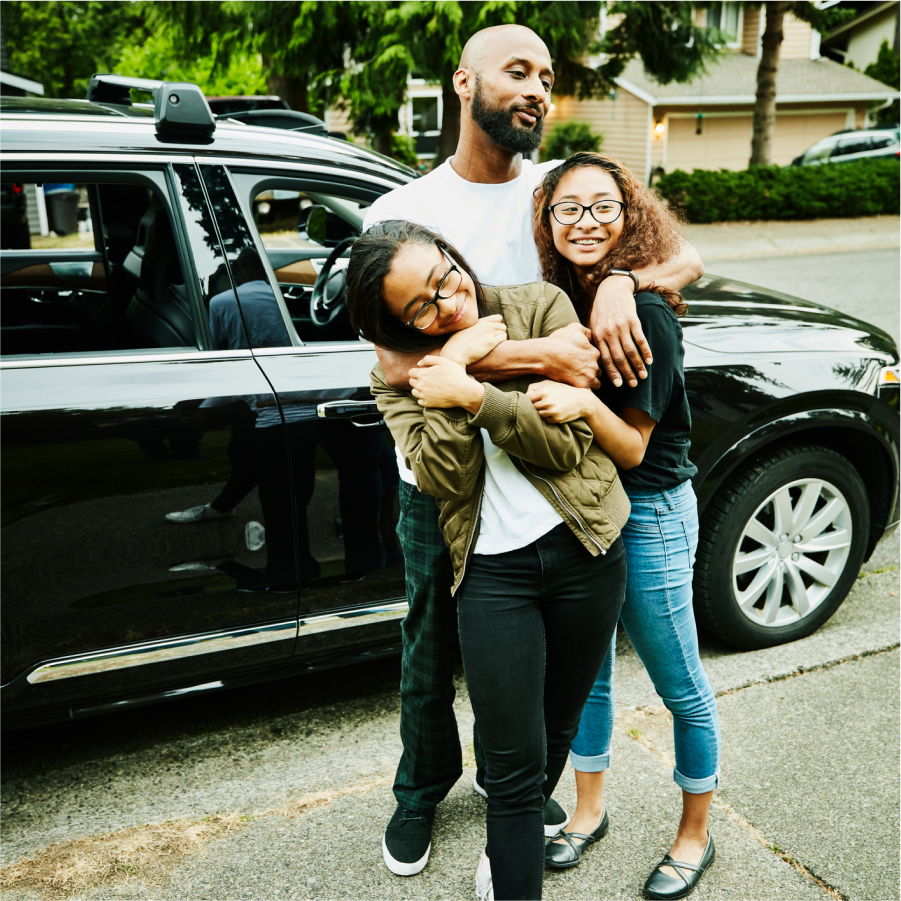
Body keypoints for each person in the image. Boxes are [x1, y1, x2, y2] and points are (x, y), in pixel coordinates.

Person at [361, 23, 704, 878]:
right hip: (445, 484)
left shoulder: (552, 190)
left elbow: (680, 253)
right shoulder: (404, 213)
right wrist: (535, 355)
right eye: (516, 71)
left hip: (553, 471)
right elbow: (399, 361)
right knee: (427, 651)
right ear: (462, 83)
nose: (536, 90)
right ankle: (420, 790)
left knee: (547, 675)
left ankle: (513, 797)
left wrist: (625, 278)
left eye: (546, 76)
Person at [346, 219, 629, 900]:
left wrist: (467, 383)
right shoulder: (394, 376)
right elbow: (445, 476)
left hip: (586, 549)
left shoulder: (535, 306)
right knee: (508, 762)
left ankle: (515, 837)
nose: (449, 300)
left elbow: (565, 450)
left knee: (555, 728)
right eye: (422, 306)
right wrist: (446, 379)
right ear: (398, 324)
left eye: (445, 275)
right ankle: (509, 859)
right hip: (492, 571)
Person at [526, 153, 720, 900]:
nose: (585, 222)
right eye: (567, 208)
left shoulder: (643, 312)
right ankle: (587, 810)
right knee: (589, 675)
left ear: (628, 213)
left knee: (679, 683)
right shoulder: (565, 297)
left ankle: (694, 833)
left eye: (602, 207)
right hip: (583, 508)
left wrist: (577, 404)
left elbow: (635, 445)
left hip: (648, 514)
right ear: (547, 220)